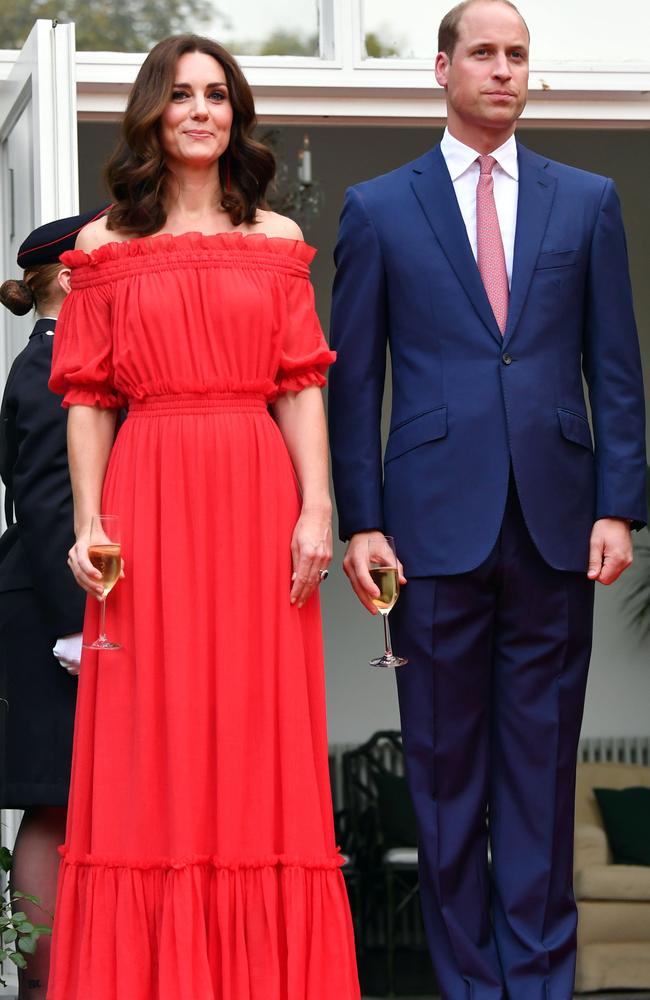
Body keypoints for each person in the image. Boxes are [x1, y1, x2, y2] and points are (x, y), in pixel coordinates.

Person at [328, 1, 647, 997]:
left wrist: (614, 504)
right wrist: (362, 518)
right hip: (425, 534)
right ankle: (468, 984)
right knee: (441, 772)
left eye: (516, 56)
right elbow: (355, 382)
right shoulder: (378, 208)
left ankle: (540, 984)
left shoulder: (586, 200)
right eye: (483, 53)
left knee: (540, 775)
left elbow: (615, 368)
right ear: (440, 68)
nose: (502, 70)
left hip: (556, 527)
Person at [45, 33, 359, 1000]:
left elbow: (301, 386)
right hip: (148, 501)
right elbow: (90, 398)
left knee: (258, 733)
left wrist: (318, 509)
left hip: (256, 500)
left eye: (217, 95)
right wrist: (89, 522)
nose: (200, 110)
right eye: (180, 94)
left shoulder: (275, 243)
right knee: (151, 736)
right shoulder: (99, 249)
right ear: (152, 111)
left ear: (235, 116)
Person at [0, 207, 108, 1000]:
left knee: (75, 801)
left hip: (66, 611)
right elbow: (44, 507)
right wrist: (77, 629)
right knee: (55, 802)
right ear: (71, 276)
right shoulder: (46, 367)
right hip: (50, 616)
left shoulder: (71, 356)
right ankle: (41, 986)